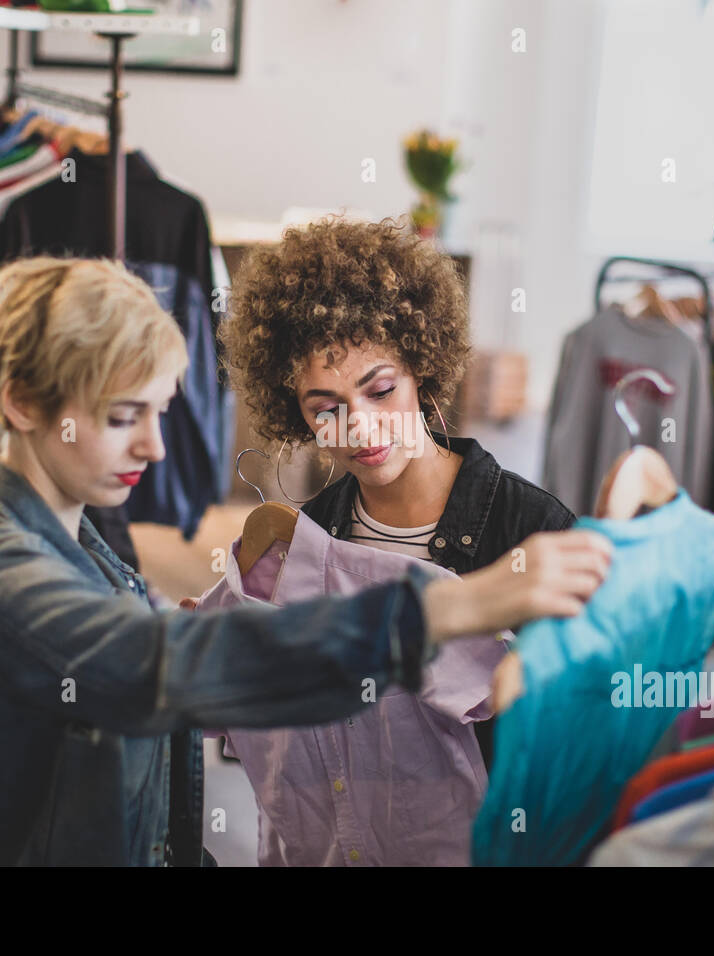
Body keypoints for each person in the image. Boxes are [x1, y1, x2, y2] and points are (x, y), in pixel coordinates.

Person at [0, 256, 610, 866]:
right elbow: (156, 667)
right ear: (19, 403)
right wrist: (452, 607)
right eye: (121, 417)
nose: (156, 450)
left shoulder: (87, 553)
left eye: (160, 413)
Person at [212, 218, 606, 864]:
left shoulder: (530, 530)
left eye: (380, 389)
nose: (359, 427)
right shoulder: (305, 543)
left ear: (421, 365)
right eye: (324, 406)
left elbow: (579, 738)